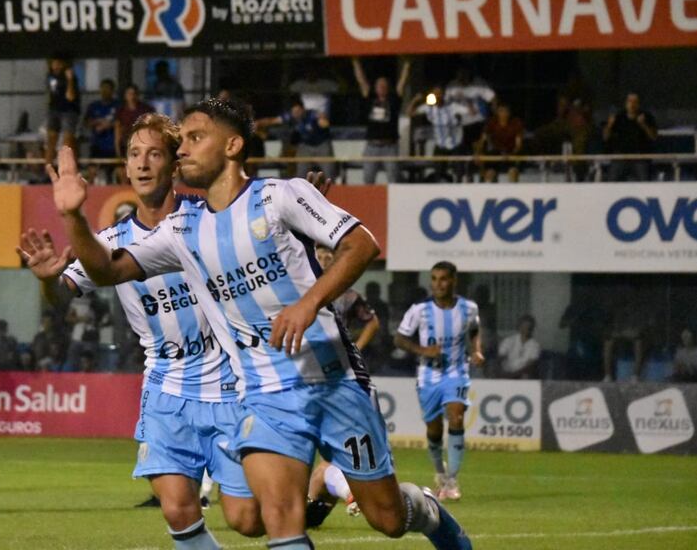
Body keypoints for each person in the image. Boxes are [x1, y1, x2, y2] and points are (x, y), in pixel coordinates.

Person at [51, 99, 472, 549]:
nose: (181, 150)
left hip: (332, 380)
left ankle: (429, 514)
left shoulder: (280, 196)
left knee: (387, 516)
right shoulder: (181, 228)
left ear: (232, 145)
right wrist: (74, 217)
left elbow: (361, 245)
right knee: (277, 518)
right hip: (264, 393)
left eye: (195, 138)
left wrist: (309, 302)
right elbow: (107, 271)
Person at [18, 114, 264, 549]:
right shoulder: (110, 241)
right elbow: (62, 296)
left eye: (155, 153)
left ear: (175, 165)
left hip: (232, 386)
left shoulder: (207, 218)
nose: (144, 163)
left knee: (247, 519)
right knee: (176, 508)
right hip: (167, 387)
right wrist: (46, 279)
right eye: (135, 155)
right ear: (126, 170)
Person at [396, 262, 483, 503]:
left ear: (454, 280)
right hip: (428, 376)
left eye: (443, 279)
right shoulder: (419, 310)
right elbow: (400, 338)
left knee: (456, 416)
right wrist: (422, 349)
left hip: (457, 372)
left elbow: (474, 330)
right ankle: (440, 473)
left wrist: (476, 351)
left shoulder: (469, 308)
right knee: (434, 429)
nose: (438, 284)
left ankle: (452, 479)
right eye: (434, 279)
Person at [305, 246, 379, 526]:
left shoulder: (346, 295)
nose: (323, 259)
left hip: (333, 378)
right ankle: (345, 491)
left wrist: (356, 347)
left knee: (328, 455)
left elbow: (373, 323)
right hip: (310, 375)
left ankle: (350, 490)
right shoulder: (298, 287)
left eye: (327, 256)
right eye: (319, 255)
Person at [352, 57, 410, 184]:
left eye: (384, 85)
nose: (382, 87)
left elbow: (402, 83)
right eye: (379, 85)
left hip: (390, 146)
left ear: (388, 87)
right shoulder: (370, 99)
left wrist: (406, 64)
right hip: (372, 146)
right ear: (375, 87)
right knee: (368, 178)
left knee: (393, 179)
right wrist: (355, 61)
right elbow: (361, 81)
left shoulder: (393, 100)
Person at [408, 88, 471, 182]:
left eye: (439, 94)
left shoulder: (452, 107)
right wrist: (415, 100)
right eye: (435, 94)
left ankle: (459, 186)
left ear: (443, 96)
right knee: (438, 171)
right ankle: (441, 185)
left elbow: (471, 112)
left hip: (455, 144)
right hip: (441, 145)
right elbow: (410, 113)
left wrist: (464, 99)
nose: (437, 96)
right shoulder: (428, 108)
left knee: (459, 170)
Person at [603, 92, 657, 182]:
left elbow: (653, 137)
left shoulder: (646, 117)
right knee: (611, 181)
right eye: (630, 101)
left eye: (635, 101)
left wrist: (644, 125)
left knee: (645, 182)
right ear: (626, 103)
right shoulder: (618, 117)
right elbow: (605, 137)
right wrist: (609, 125)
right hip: (620, 156)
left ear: (639, 104)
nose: (632, 104)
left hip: (639, 157)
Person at [475, 102, 524, 183]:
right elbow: (482, 140)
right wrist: (478, 153)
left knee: (513, 172)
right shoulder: (491, 122)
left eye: (506, 111)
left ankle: (513, 192)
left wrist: (511, 154)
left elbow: (518, 145)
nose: (503, 114)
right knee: (489, 174)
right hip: (495, 152)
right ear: (497, 112)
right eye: (501, 111)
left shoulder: (516, 122)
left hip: (511, 152)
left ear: (509, 113)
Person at [84, 78, 121, 184]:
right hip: (97, 145)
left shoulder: (118, 106)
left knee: (117, 172)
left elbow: (122, 123)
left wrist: (109, 125)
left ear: (112, 90)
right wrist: (97, 122)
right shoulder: (93, 106)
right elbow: (86, 123)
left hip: (112, 146)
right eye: (103, 88)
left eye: (108, 88)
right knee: (91, 170)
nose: (105, 91)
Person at [45, 57, 82, 163]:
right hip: (54, 110)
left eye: (58, 64)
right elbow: (50, 94)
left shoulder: (70, 77)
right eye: (54, 64)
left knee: (67, 141)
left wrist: (69, 80)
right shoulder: (50, 76)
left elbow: (70, 96)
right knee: (51, 140)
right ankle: (48, 169)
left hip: (68, 111)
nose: (56, 66)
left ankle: (68, 168)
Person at [497, 315, 541, 379]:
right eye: (524, 326)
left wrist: (514, 375)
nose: (526, 329)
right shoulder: (509, 340)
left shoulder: (535, 345)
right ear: (519, 327)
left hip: (522, 374)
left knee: (526, 376)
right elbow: (500, 357)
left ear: (532, 328)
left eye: (529, 327)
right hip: (506, 372)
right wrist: (501, 371)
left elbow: (530, 365)